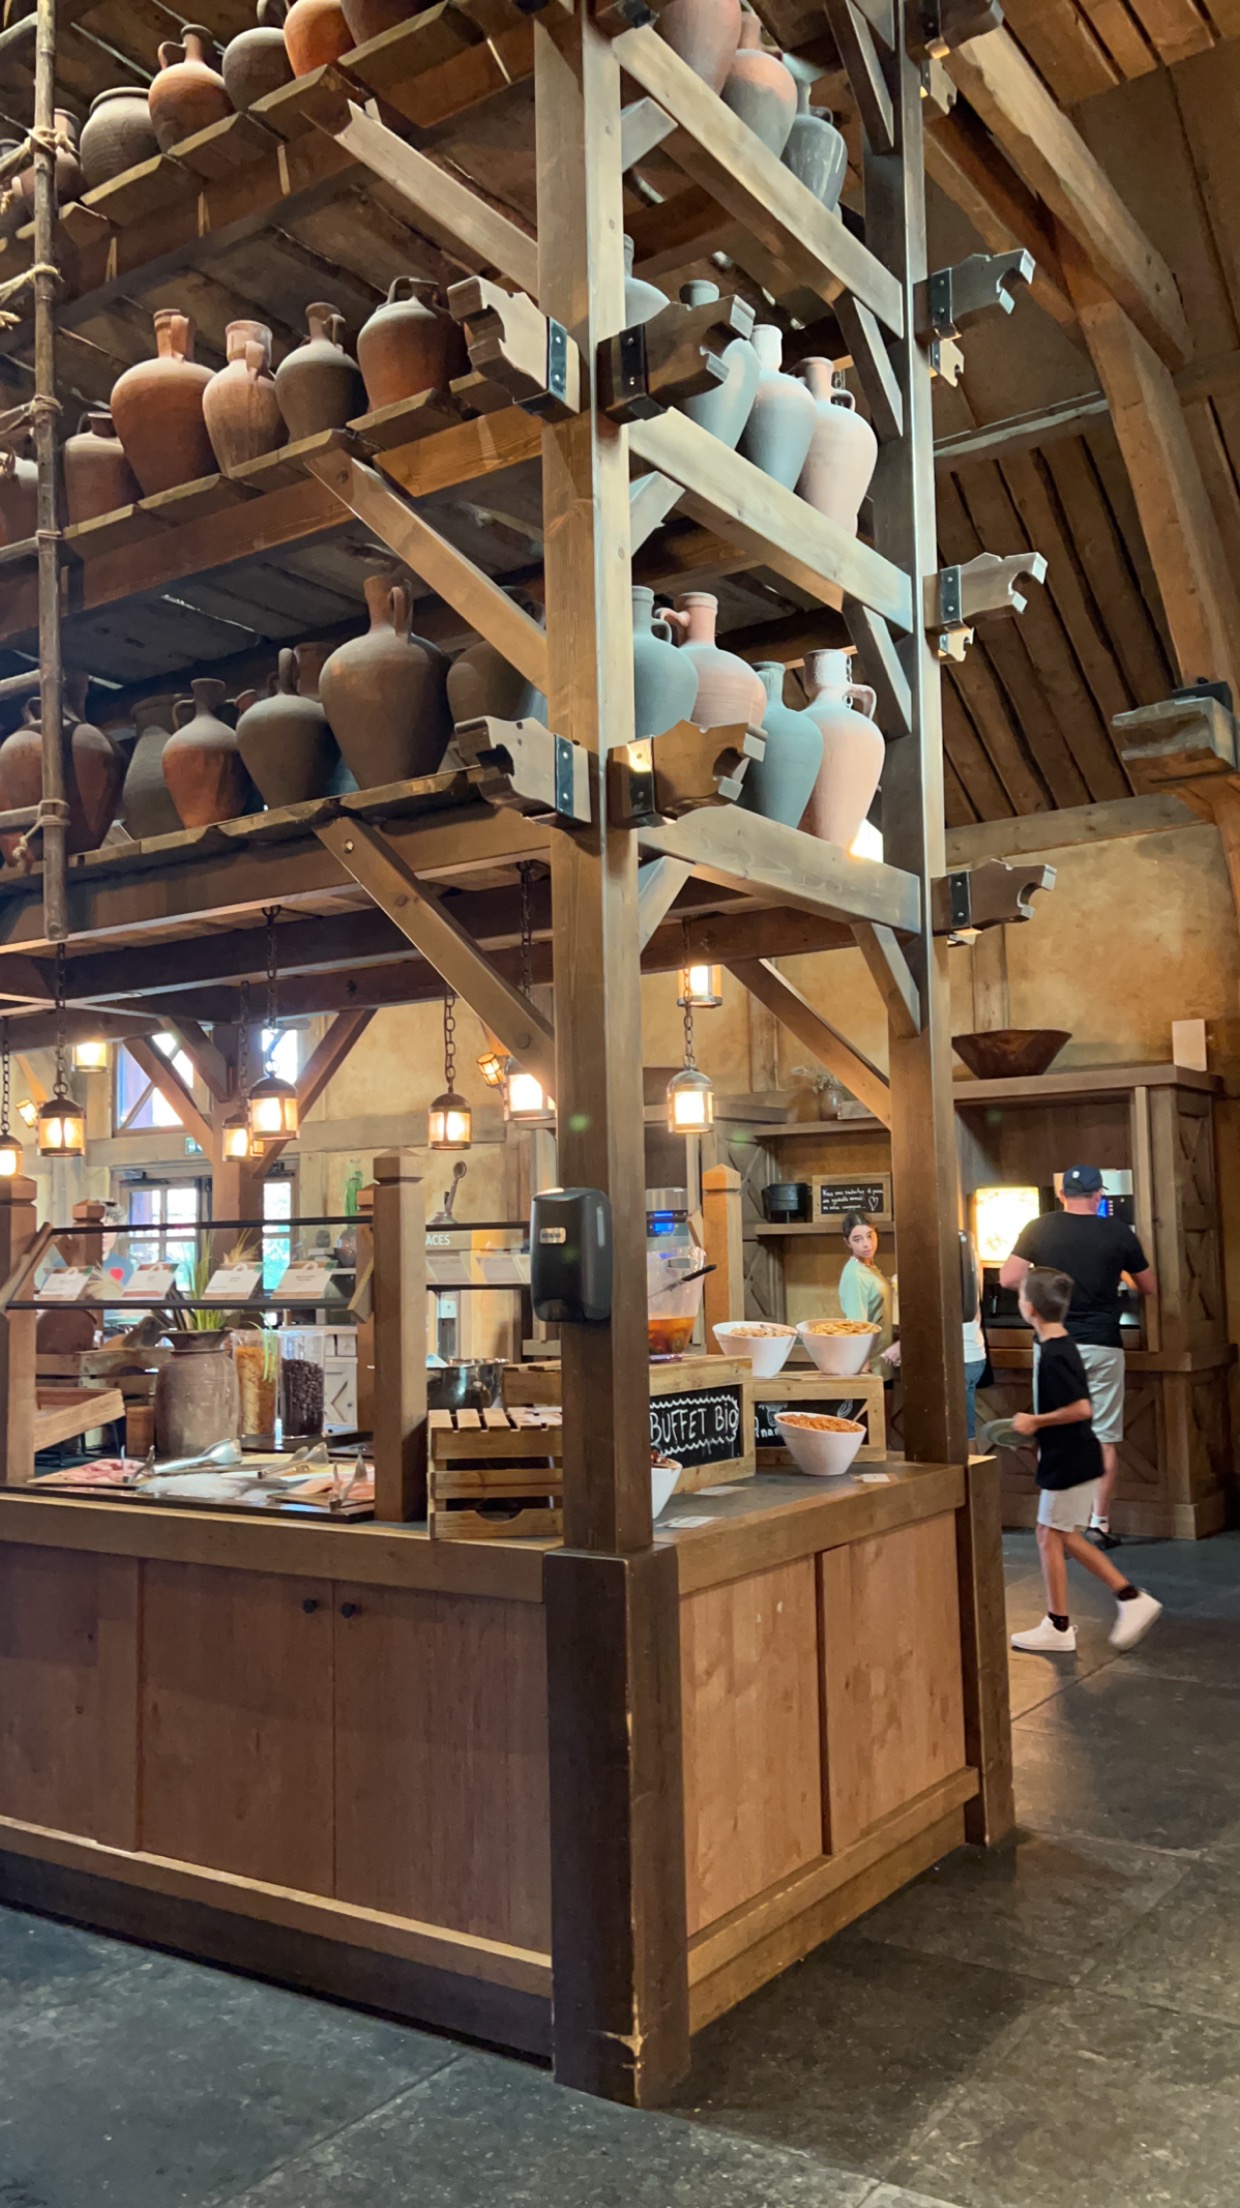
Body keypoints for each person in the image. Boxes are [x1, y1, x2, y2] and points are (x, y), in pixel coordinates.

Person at [1009, 1266, 1162, 1656]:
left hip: (1070, 1459)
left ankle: (1125, 1597)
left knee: (1055, 1534)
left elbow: (1080, 1408)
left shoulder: (1056, 1353)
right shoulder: (1058, 1345)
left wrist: (1035, 1422)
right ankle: (1059, 1622)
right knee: (1053, 1534)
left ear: (1030, 1308)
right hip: (1070, 1455)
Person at [999, 1165, 1156, 1543]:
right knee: (1103, 1437)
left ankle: (1055, 1519)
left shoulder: (1039, 1227)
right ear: (1099, 1196)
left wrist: (1047, 1287)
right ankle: (1099, 1523)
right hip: (1103, 1342)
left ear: (1061, 1195)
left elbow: (1008, 1278)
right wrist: (1121, 1275)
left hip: (1053, 1343)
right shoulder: (1118, 1232)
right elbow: (1149, 1286)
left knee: (1052, 1430)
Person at [838, 1210, 896, 1372]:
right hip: (870, 1362)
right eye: (857, 1239)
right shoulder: (855, 1275)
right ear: (848, 1243)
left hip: (883, 1356)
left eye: (870, 1236)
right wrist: (863, 1366)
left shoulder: (869, 1267)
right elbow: (857, 1325)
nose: (866, 1244)